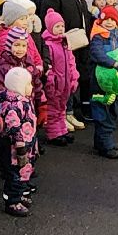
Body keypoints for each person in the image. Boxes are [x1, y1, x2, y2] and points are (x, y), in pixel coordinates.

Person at [0, 63, 38, 219]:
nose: (31, 87)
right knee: (15, 175)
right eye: (28, 84)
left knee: (22, 173)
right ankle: (12, 201)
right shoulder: (15, 104)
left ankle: (18, 195)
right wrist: (20, 147)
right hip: (17, 148)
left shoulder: (20, 100)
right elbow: (14, 127)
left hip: (26, 144)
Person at [88, 6, 118, 157]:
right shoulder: (98, 37)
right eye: (106, 19)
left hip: (116, 81)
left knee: (114, 109)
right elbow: (97, 53)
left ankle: (100, 141)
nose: (109, 22)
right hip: (101, 81)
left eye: (112, 20)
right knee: (102, 109)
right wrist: (114, 63)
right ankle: (106, 143)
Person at [41, 8, 77, 146]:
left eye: (62, 26)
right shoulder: (49, 45)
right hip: (56, 83)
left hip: (65, 82)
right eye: (57, 26)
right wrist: (50, 81)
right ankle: (53, 133)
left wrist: (74, 77)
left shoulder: (64, 43)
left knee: (62, 107)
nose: (61, 29)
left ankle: (62, 130)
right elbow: (49, 66)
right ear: (50, 27)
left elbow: (71, 61)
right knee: (53, 108)